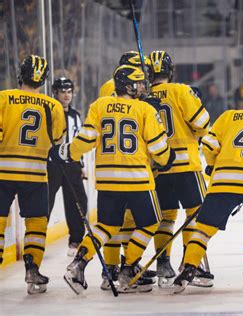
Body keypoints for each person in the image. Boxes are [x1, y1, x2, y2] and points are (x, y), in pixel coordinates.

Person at [50, 65, 175, 294]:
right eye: (138, 83)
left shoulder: (99, 105)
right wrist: (168, 152)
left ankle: (78, 264)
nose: (142, 87)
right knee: (152, 222)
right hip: (137, 177)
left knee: (106, 226)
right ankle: (128, 270)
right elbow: (159, 151)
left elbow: (85, 141)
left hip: (107, 179)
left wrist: (64, 152)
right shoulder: (144, 109)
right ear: (128, 85)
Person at [173, 83, 243, 294]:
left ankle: (190, 267)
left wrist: (213, 165)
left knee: (204, 229)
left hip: (222, 181)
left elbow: (208, 143)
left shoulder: (228, 116)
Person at [147, 50, 213, 288]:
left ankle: (163, 264)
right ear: (170, 71)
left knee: (166, 218)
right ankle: (190, 264)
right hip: (186, 166)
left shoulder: (144, 98)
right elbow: (202, 124)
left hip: (159, 168)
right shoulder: (181, 90)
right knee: (195, 216)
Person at [0, 55, 66, 294]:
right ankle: (32, 271)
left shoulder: (3, 98)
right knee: (37, 224)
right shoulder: (53, 106)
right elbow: (58, 141)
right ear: (44, 80)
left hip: (2, 172)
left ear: (21, 74)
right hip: (36, 174)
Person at [98, 51, 156, 291]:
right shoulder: (122, 92)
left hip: (112, 163)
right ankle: (122, 268)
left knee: (116, 223)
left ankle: (116, 268)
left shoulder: (107, 88)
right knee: (125, 223)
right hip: (131, 164)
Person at [47, 77, 87, 257]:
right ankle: (36, 237)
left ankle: (76, 240)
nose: (66, 95)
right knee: (46, 201)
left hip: (72, 164)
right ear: (55, 93)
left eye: (69, 91)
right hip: (53, 164)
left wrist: (82, 165)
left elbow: (79, 142)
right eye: (62, 91)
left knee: (78, 201)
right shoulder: (50, 112)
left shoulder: (76, 116)